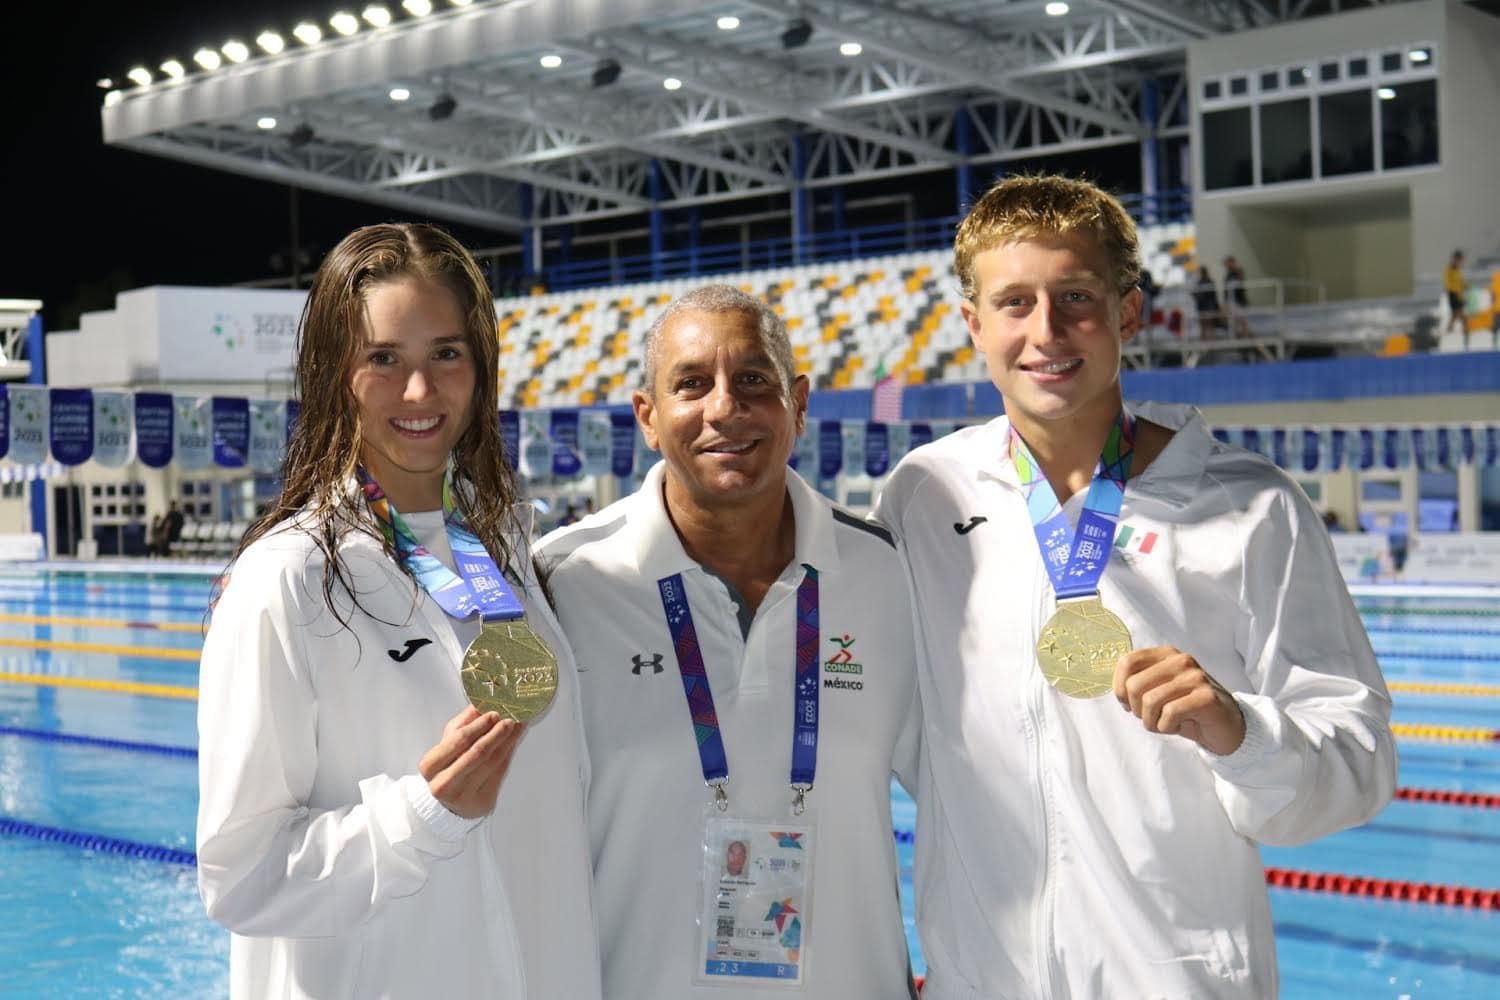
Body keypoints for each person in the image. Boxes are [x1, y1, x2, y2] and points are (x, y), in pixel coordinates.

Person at [874, 174, 1397, 999]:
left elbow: (1361, 762)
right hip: (983, 980)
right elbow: (898, 728)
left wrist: (1241, 731)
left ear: (1128, 312)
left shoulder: (1250, 505)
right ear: (973, 325)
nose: (1046, 331)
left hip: (1178, 978)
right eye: (1014, 303)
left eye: (1075, 296)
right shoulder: (925, 493)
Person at [195, 222, 601, 1000]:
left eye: (445, 353)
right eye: (383, 359)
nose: (420, 391)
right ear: (331, 372)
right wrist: (424, 814)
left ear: (479, 368)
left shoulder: (505, 550)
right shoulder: (288, 580)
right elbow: (238, 877)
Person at [538, 284, 920, 998]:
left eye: (753, 380)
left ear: (799, 404)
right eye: (691, 384)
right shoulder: (565, 583)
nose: (724, 408)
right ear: (647, 418)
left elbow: (975, 791)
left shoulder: (887, 574)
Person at [1192, 263, 1224, 339]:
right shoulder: (1200, 282)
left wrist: (1217, 308)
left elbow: (1212, 296)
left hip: (1208, 306)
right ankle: (1207, 342)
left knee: (1208, 325)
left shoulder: (1208, 282)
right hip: (1204, 306)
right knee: (1205, 326)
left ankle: (1210, 342)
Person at [1223, 254, 1250, 336]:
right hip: (1231, 302)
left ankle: (1245, 337)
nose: (1226, 266)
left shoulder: (1238, 271)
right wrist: (1225, 303)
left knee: (1242, 321)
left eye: (1227, 263)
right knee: (1233, 323)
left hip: (1239, 301)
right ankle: (1237, 338)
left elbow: (1241, 279)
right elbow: (1226, 291)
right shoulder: (1228, 275)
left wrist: (1236, 268)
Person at [1444, 249, 1468, 340]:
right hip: (1453, 295)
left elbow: (1459, 281)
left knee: (1456, 315)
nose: (1462, 261)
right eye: (1461, 259)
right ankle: (1465, 333)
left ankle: (1450, 330)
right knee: (1460, 315)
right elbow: (1450, 284)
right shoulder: (1451, 269)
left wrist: (1465, 285)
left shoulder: (1457, 269)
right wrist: (1458, 293)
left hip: (1457, 294)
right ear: (1457, 258)